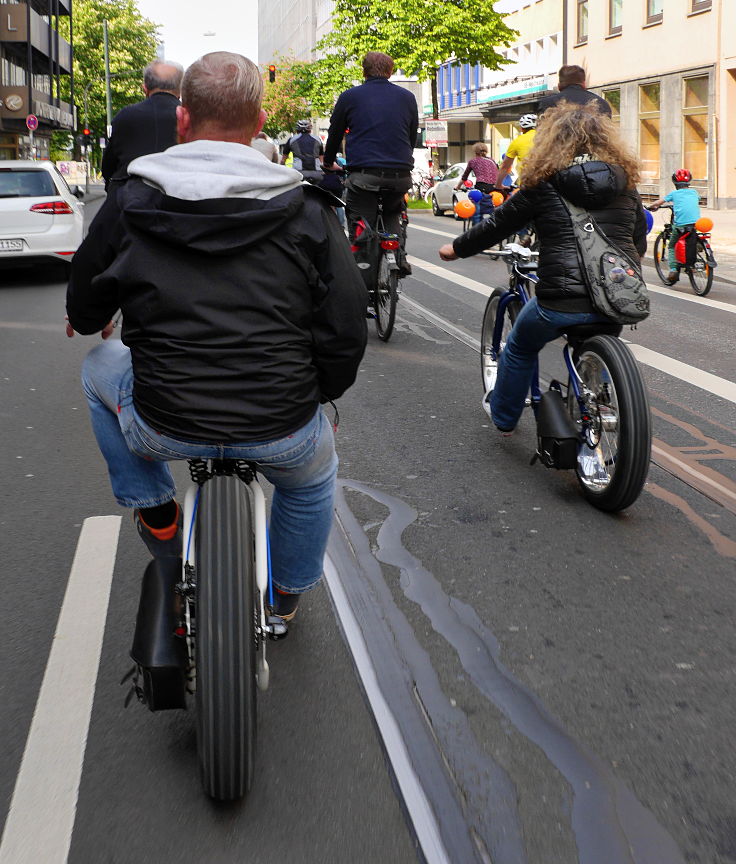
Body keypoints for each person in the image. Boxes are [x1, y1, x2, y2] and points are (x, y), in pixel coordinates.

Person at [66, 52, 367, 623]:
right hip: (281, 422)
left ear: (182, 120)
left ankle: (155, 510)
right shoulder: (307, 208)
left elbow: (84, 306)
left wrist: (95, 314)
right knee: (310, 482)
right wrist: (316, 394)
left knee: (96, 366)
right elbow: (346, 323)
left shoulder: (129, 200)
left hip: (163, 422)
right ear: (257, 125)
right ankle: (284, 597)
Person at [438, 101, 646, 437]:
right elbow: (637, 239)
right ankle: (598, 393)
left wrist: (456, 248)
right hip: (617, 299)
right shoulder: (626, 185)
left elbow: (498, 225)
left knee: (520, 344)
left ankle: (503, 416)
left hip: (560, 303)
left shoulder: (545, 183)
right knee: (594, 332)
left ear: (551, 142)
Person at [323, 51, 419, 276]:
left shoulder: (350, 97)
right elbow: (410, 134)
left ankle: (361, 275)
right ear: (391, 71)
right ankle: (399, 257)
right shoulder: (407, 97)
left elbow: (335, 133)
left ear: (364, 71)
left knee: (360, 221)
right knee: (393, 214)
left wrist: (328, 161)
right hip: (400, 174)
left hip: (364, 175)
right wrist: (402, 160)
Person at [101, 60, 184, 191]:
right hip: (180, 196)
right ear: (180, 89)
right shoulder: (191, 117)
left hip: (129, 195)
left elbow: (108, 164)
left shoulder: (125, 115)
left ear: (145, 88)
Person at [648, 169, 701, 284]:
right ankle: (697, 247)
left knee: (672, 245)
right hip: (696, 224)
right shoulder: (694, 192)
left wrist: (650, 207)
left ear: (675, 183)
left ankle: (673, 270)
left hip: (681, 225)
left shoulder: (674, 194)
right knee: (692, 236)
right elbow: (697, 200)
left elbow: (659, 202)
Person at [538, 65, 612, 118]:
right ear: (583, 83)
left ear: (559, 85)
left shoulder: (548, 103)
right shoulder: (601, 103)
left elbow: (542, 135)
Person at [495, 114, 537, 189]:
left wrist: (498, 185)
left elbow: (505, 166)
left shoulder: (517, 141)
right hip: (549, 183)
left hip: (527, 184)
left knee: (513, 201)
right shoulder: (546, 138)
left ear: (522, 128)